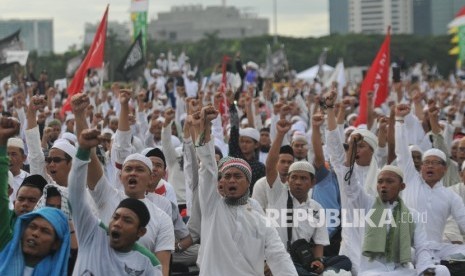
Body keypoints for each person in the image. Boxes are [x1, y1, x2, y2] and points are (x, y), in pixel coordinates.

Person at [195, 105, 298, 275]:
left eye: (237, 176)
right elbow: (207, 166)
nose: (231, 180)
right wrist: (205, 126)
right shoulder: (212, 207)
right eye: (227, 176)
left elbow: (278, 255)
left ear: (248, 182)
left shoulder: (258, 217)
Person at [68, 128, 162, 275]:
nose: (118, 223)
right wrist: (83, 151)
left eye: (127, 221)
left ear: (140, 232)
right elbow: (75, 196)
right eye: (115, 217)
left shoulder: (148, 264)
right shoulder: (92, 235)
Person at [265, 117, 351, 275]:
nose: (297, 182)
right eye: (294, 177)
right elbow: (270, 167)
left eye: (303, 178)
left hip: (304, 260)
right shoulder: (278, 194)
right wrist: (279, 135)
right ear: (288, 180)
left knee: (344, 261)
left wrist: (318, 261)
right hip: (280, 259)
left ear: (312, 182)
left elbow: (319, 243)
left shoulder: (316, 208)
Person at [342, 159, 450, 275]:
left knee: (441, 271)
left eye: (389, 182)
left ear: (402, 186)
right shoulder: (367, 205)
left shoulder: (412, 215)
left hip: (402, 271)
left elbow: (421, 246)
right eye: (380, 182)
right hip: (373, 272)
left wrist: (426, 267)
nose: (383, 185)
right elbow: (350, 187)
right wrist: (350, 156)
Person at [0, 116, 71, 275]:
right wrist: (2, 144)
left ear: (56, 243)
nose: (35, 233)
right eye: (31, 227)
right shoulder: (6, 241)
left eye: (45, 231)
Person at [395, 103, 465, 262]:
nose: (430, 166)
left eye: (435, 163)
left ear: (445, 169)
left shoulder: (451, 196)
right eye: (426, 163)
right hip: (407, 248)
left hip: (436, 249)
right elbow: (402, 152)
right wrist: (400, 120)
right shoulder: (412, 180)